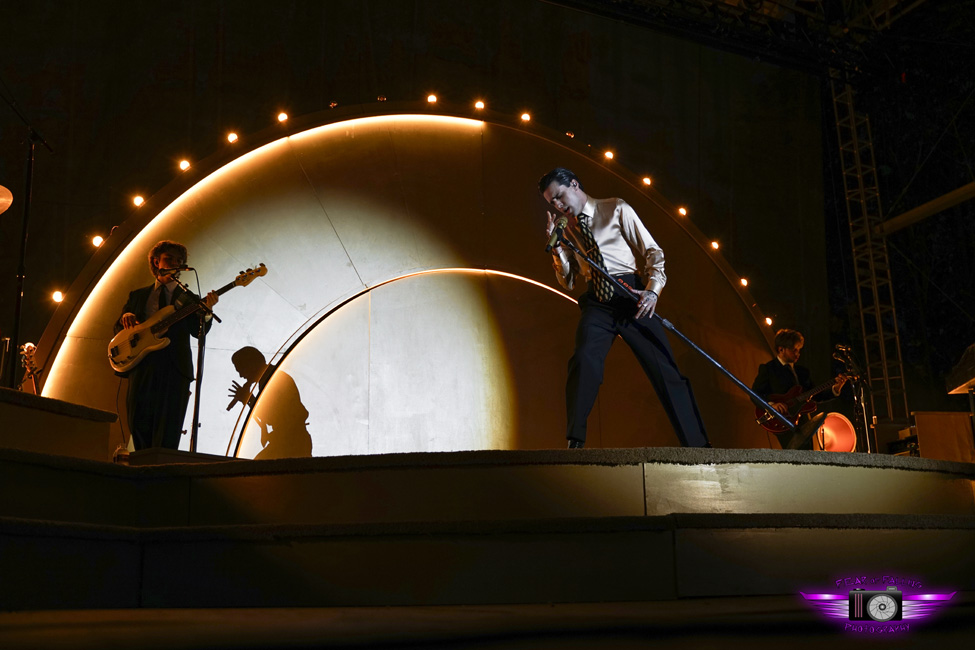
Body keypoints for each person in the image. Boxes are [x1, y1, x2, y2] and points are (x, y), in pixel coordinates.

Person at [539, 167, 710, 449]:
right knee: (583, 360)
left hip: (630, 294)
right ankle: (575, 441)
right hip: (597, 301)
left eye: (558, 197)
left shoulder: (615, 208)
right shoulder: (565, 229)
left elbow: (653, 252)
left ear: (574, 183)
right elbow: (568, 280)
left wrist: (653, 291)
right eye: (551, 203)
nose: (557, 206)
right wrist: (557, 248)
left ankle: (699, 446)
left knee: (665, 370)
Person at [114, 240, 218, 450]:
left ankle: (163, 474)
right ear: (156, 262)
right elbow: (118, 329)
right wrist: (126, 316)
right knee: (139, 423)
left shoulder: (189, 298)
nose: (175, 263)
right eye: (169, 259)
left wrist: (206, 314)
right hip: (142, 367)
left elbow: (198, 333)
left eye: (179, 261)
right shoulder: (138, 296)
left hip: (174, 369)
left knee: (168, 430)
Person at [751, 328, 848, 449]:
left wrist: (836, 388)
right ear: (781, 349)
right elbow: (755, 394)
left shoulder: (802, 372)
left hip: (803, 422)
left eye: (799, 350)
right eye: (794, 350)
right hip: (781, 420)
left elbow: (817, 396)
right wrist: (771, 406)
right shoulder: (768, 369)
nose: (798, 354)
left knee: (807, 455)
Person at [227, 346, 312, 459]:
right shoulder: (269, 378)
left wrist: (248, 399)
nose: (241, 376)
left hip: (291, 442)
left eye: (241, 370)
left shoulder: (272, 381)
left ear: (251, 364)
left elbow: (270, 417)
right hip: (289, 440)